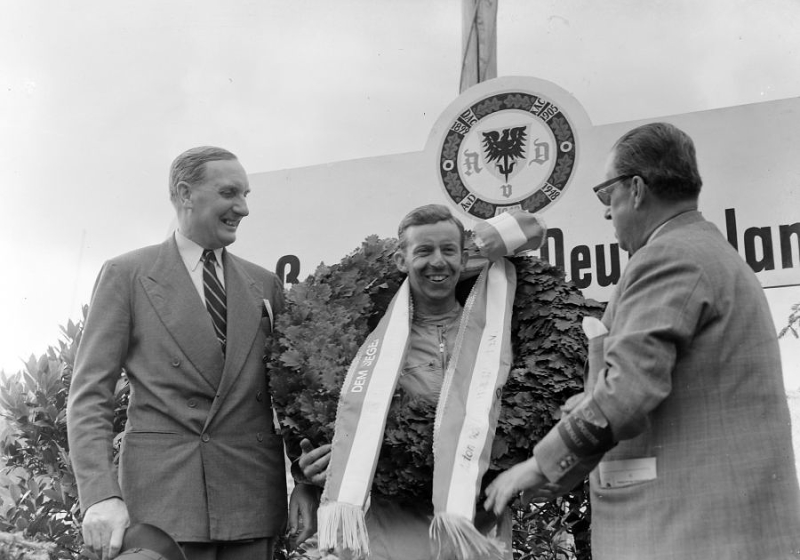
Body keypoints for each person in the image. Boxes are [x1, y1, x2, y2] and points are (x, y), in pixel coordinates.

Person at [484, 122, 800, 559]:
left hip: (687, 533)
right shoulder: (704, 251)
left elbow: (627, 391)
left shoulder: (667, 258)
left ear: (635, 189)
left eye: (605, 194)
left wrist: (538, 466)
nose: (607, 212)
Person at [66, 146, 317, 560]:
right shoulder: (126, 275)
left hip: (250, 500)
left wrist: (304, 481)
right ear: (185, 194)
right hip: (163, 503)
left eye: (247, 195)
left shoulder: (264, 284)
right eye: (230, 193)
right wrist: (99, 495)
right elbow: (90, 395)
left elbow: (290, 398)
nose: (243, 208)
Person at [295, 204, 545, 560]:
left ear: (464, 258)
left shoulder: (501, 331)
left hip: (478, 529)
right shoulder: (367, 341)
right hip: (390, 533)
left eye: (448, 250)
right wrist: (308, 471)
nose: (437, 262)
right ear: (401, 260)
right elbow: (332, 425)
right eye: (423, 251)